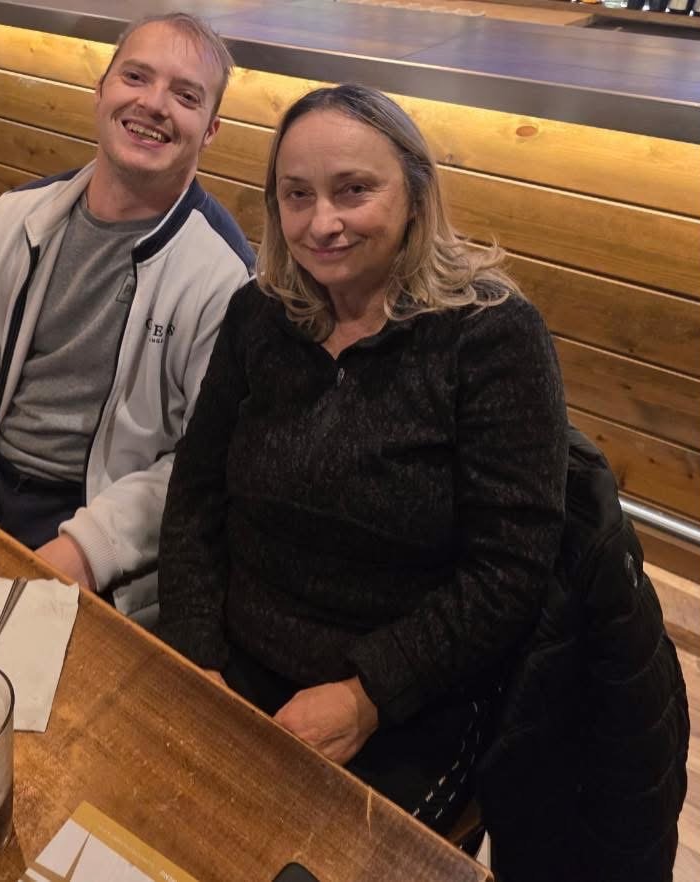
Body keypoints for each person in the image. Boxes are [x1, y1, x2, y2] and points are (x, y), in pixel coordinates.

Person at [156, 84, 568, 835]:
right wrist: (195, 658)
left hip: (409, 699)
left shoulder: (491, 335)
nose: (322, 224)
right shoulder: (258, 314)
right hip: (233, 661)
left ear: (414, 193)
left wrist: (366, 695)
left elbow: (509, 571)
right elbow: (194, 498)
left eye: (353, 191)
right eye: (297, 195)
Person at [0, 13, 254, 621]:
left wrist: (82, 552)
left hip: (99, 530)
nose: (153, 104)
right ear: (100, 92)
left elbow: (200, 465)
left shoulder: (225, 278)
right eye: (135, 76)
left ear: (210, 131)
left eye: (185, 95)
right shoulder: (16, 217)